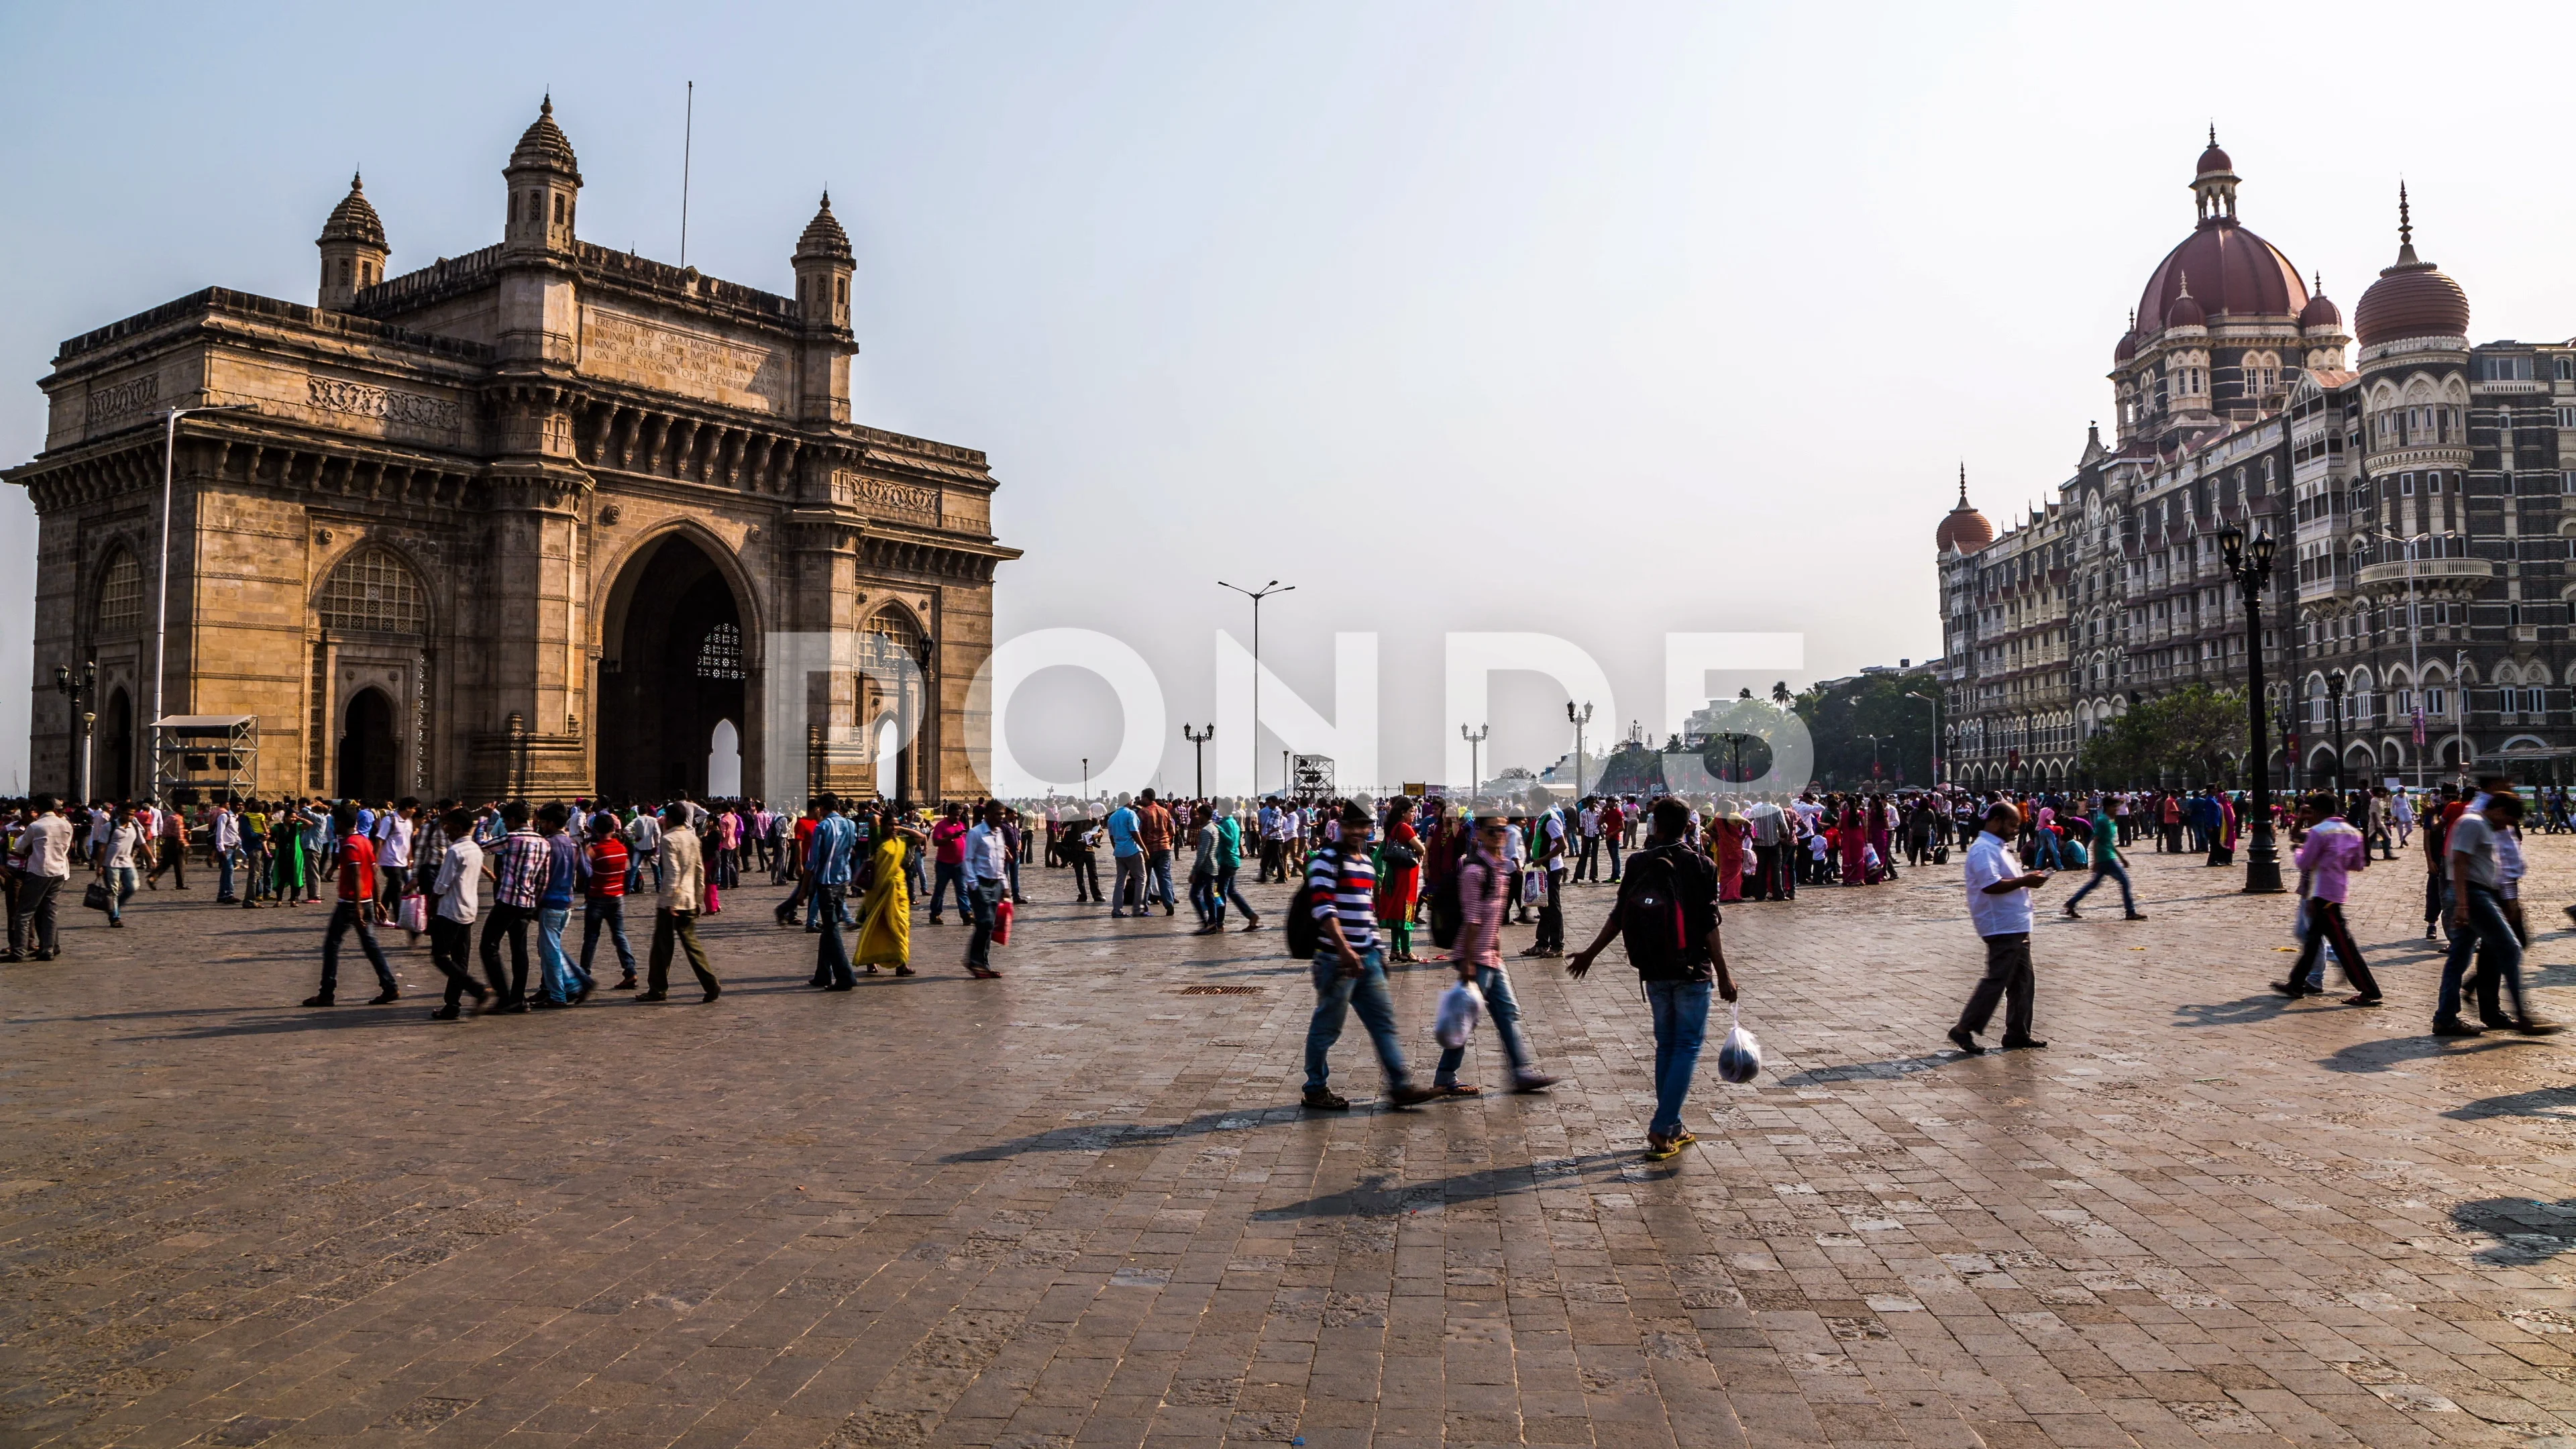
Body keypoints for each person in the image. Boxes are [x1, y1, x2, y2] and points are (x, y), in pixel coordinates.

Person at [1566, 798, 1735, 1160]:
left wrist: (1590, 954)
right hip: (1692, 969)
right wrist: (1724, 975)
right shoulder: (1701, 864)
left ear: (1654, 826)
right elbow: (1709, 925)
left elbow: (1619, 915)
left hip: (1653, 968)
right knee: (1687, 1047)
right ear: (1688, 826)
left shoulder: (1638, 862)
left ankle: (1672, 1126)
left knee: (1667, 1046)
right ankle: (1662, 1127)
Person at [1300, 802, 1434, 1112]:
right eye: (1352, 826)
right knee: (1328, 1028)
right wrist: (1345, 949)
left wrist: (1376, 949)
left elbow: (1368, 911)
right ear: (1341, 826)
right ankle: (1315, 1088)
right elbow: (1323, 909)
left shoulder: (1366, 863)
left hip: (1368, 957)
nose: (1358, 832)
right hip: (1336, 960)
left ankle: (1400, 1085)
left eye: (1364, 826)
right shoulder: (1325, 862)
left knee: (1383, 1023)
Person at [1432, 812, 1558, 1097]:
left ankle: (1520, 1072)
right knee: (1465, 1018)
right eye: (1493, 831)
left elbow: (1494, 917)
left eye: (1503, 830)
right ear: (1478, 834)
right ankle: (1445, 1077)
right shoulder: (1476, 871)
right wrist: (1468, 964)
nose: (1499, 835)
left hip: (1490, 955)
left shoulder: (1501, 867)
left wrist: (1497, 949)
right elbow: (1474, 918)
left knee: (1507, 1013)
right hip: (1475, 956)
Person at [2435, 792, 2554, 1037]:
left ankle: (2445, 1019)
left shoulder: (2486, 827)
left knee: (2459, 959)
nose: (2507, 826)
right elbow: (2459, 862)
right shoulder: (2473, 823)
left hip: (2477, 893)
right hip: (2472, 894)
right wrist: (2463, 905)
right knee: (2510, 948)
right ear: (2498, 810)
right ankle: (2523, 1016)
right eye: (2508, 820)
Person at [1949, 800, 2051, 1055]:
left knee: (2023, 982)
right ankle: (1963, 1028)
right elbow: (1990, 885)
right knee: (1997, 979)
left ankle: (2018, 1032)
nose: (2016, 830)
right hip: (2001, 925)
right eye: (2012, 824)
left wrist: (2027, 879)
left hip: (2016, 923)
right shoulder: (1983, 849)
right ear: (1995, 820)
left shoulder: (1999, 848)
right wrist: (2024, 880)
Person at [2275, 792, 2381, 1006]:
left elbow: (2305, 862)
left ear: (2319, 811)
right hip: (2337, 891)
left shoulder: (2319, 832)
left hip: (2322, 894)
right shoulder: (2352, 832)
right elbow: (2358, 864)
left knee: (2344, 946)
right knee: (2313, 942)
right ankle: (2296, 983)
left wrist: (2297, 852)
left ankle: (2369, 990)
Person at [303, 804, 399, 1007]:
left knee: (332, 945)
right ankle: (389, 985)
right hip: (367, 901)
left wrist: (357, 906)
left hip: (350, 903)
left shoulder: (349, 845)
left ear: (339, 823)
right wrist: (378, 901)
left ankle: (326, 993)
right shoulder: (364, 842)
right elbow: (372, 874)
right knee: (371, 946)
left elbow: (356, 875)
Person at [641, 802, 720, 1003]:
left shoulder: (669, 839)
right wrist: (698, 898)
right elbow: (699, 869)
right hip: (690, 899)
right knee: (692, 946)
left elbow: (673, 872)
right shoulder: (693, 838)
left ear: (670, 819)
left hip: (671, 902)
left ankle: (657, 989)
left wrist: (672, 902)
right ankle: (710, 984)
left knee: (661, 947)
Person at [425, 808, 492, 1019]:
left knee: (441, 957)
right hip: (469, 909)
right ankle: (452, 1004)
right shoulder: (475, 849)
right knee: (460, 959)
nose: (446, 830)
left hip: (451, 910)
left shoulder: (455, 851)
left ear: (458, 827)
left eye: (449, 826)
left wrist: (431, 907)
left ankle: (477, 990)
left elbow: (442, 885)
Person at [480, 800, 546, 1011]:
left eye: (505, 821)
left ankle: (503, 996)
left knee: (488, 946)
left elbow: (481, 845)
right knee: (519, 949)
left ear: (512, 820)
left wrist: (483, 819)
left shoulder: (511, 838)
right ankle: (518, 998)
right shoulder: (543, 842)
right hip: (527, 902)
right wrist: (536, 901)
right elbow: (543, 878)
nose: (505, 825)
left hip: (508, 900)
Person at [855, 809, 925, 976]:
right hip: (878, 893)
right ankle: (870, 961)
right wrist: (882, 815)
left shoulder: (902, 841)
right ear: (884, 825)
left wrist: (901, 828)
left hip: (898, 892)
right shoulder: (876, 840)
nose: (894, 827)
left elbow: (920, 837)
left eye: (896, 824)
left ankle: (901, 964)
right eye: (891, 824)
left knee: (900, 928)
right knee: (876, 928)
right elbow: (874, 819)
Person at [7, 795, 72, 961]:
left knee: (24, 913)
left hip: (39, 871)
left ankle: (19, 952)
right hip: (59, 871)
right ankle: (48, 950)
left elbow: (20, 848)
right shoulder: (66, 825)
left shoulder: (36, 826)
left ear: (38, 808)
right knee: (50, 911)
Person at [577, 813, 638, 990]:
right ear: (613, 829)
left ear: (595, 829)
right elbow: (625, 870)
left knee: (591, 938)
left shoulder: (596, 850)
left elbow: (584, 871)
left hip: (597, 898)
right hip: (617, 897)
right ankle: (630, 970)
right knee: (619, 935)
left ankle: (584, 975)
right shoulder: (621, 849)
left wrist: (584, 852)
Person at [2059, 796, 2145, 921]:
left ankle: (2071, 903)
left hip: (2108, 856)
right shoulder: (2103, 820)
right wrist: (2095, 861)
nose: (2116, 809)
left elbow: (2109, 842)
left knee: (2093, 884)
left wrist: (2122, 858)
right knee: (2125, 882)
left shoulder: (2110, 821)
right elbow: (2096, 841)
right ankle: (2130, 912)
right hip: (2106, 859)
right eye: (2114, 807)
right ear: (2108, 807)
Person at [806, 797, 859, 990]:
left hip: (825, 883)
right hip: (842, 881)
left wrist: (803, 889)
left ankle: (845, 977)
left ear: (822, 808)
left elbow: (813, 862)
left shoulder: (822, 827)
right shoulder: (851, 825)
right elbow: (851, 850)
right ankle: (823, 974)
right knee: (829, 929)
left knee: (832, 930)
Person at [961, 799, 1012, 978]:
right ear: (988, 814)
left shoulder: (999, 833)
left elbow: (1001, 861)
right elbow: (968, 859)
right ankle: (974, 961)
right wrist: (974, 884)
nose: (1002, 818)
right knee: (985, 923)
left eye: (1003, 814)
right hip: (981, 884)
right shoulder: (975, 833)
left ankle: (982, 964)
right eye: (998, 814)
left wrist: (1005, 886)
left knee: (990, 926)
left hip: (996, 884)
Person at [928, 804, 970, 924]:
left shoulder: (961, 825)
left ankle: (966, 913)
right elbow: (936, 842)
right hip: (944, 864)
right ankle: (935, 914)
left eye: (959, 815)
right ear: (949, 814)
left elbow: (965, 841)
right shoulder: (941, 826)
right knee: (940, 890)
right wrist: (951, 837)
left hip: (960, 864)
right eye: (955, 815)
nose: (957, 817)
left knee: (962, 890)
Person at [1105, 797, 1146, 917]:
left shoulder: (1112, 817)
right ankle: (1138, 909)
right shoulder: (1130, 814)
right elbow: (1135, 832)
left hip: (1119, 852)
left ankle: (1116, 910)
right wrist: (1144, 849)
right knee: (1141, 878)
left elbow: (1112, 838)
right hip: (1132, 851)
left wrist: (1117, 848)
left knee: (1120, 882)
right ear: (1129, 802)